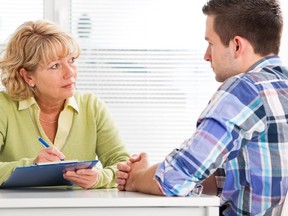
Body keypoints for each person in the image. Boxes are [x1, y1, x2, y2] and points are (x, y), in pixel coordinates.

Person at [116, 0, 288, 215]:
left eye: (211, 43)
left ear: (237, 45)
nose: (206, 55)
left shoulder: (244, 90)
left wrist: (135, 178)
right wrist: (149, 172)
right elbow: (254, 176)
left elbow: (172, 180)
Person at [0, 19, 130, 189]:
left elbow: (122, 165)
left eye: (72, 60)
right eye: (55, 66)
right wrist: (32, 165)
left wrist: (99, 178)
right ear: (28, 76)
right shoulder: (4, 106)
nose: (70, 73)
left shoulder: (92, 106)